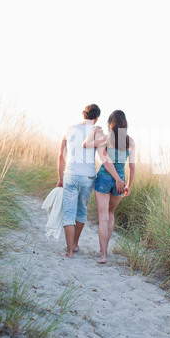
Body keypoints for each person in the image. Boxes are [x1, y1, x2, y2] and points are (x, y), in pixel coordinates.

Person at [57, 104, 125, 258]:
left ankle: (68, 252)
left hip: (71, 174)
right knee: (81, 211)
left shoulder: (69, 128)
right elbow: (104, 158)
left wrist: (60, 178)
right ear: (96, 118)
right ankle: (74, 245)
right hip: (88, 177)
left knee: (69, 213)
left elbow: (61, 155)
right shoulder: (98, 131)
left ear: (84, 115)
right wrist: (118, 178)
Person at [83, 110, 135, 263]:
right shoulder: (130, 141)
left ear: (110, 123)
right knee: (111, 214)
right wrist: (127, 185)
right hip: (121, 182)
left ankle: (103, 255)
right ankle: (106, 250)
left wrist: (93, 131)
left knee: (103, 217)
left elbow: (86, 145)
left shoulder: (106, 138)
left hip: (105, 179)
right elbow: (132, 167)